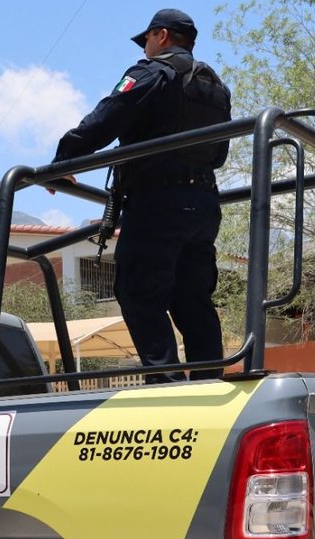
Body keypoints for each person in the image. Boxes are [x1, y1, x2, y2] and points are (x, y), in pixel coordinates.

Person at [52, 8, 232, 382]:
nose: (146, 47)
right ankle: (209, 386)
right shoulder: (214, 88)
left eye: (148, 39)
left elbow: (109, 115)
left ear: (161, 36)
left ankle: (165, 387)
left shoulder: (152, 73)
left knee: (138, 291)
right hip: (203, 207)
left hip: (158, 204)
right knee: (192, 300)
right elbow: (218, 154)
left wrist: (64, 160)